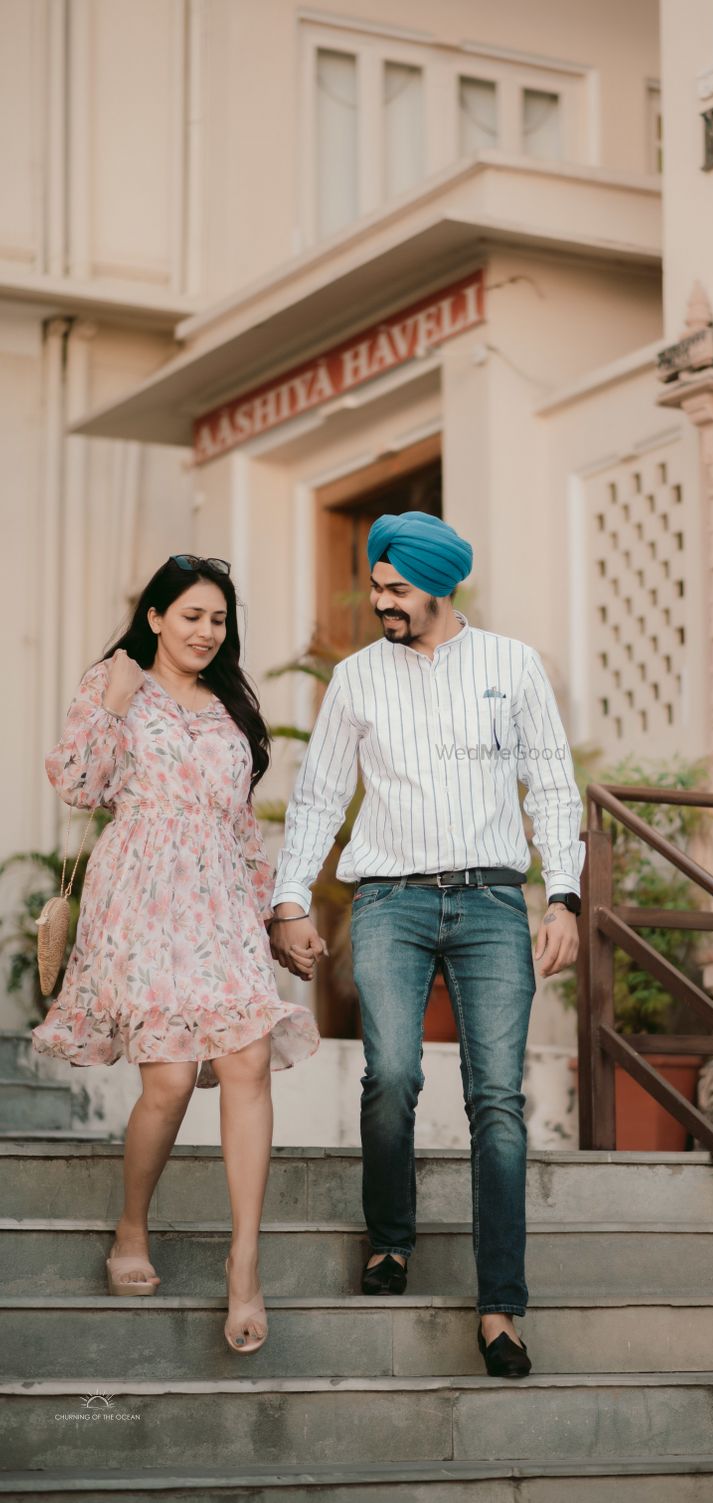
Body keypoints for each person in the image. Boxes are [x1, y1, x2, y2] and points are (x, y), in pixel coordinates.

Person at [270, 510, 584, 1378]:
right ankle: (391, 1239)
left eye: (396, 588)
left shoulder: (512, 666)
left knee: (497, 1101)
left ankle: (501, 1306)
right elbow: (321, 795)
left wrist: (564, 895)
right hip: (389, 901)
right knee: (394, 1075)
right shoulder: (357, 678)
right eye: (376, 586)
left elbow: (554, 785)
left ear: (440, 586)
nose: (381, 602)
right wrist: (290, 895)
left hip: (489, 900)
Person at [33, 554, 320, 1354]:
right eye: (191, 615)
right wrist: (114, 707)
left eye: (218, 619)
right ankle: (131, 1227)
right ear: (155, 616)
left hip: (223, 901)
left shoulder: (230, 706)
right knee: (165, 1078)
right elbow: (80, 786)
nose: (205, 630)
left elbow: (241, 825)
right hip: (143, 898)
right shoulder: (111, 683)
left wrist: (276, 915)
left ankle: (245, 1265)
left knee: (248, 1058)